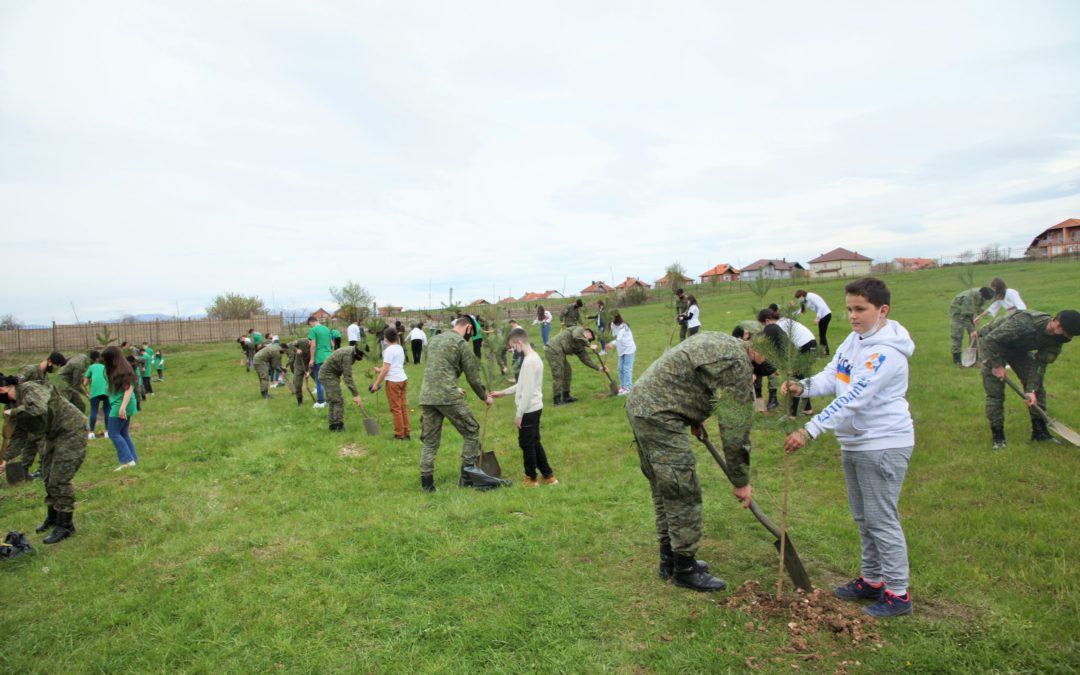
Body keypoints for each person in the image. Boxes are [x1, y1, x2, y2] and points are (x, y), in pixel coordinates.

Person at [782, 277, 916, 618]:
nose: (853, 316)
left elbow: (855, 397)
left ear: (882, 310)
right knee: (863, 517)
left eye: (861, 310)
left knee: (881, 519)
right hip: (855, 443)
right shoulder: (855, 340)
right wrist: (803, 387)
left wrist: (809, 430)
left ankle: (898, 594)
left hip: (882, 443)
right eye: (849, 309)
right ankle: (871, 580)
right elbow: (834, 375)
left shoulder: (885, 353)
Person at [625, 331, 762, 592]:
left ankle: (670, 561)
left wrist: (694, 415)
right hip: (659, 414)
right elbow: (735, 428)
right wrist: (741, 480)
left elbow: (692, 374)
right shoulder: (739, 363)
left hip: (643, 404)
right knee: (681, 489)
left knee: (665, 489)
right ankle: (684, 570)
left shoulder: (723, 342)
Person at [0, 371, 88, 544]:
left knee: (59, 479)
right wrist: (4, 458)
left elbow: (38, 408)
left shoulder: (30, 389)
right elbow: (18, 436)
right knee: (47, 476)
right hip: (52, 435)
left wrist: (14, 412)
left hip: (71, 430)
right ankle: (53, 518)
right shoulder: (10, 406)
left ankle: (66, 525)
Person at [978, 309, 1077, 448]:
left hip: (1018, 349)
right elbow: (991, 340)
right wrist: (997, 365)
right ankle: (998, 436)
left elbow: (1040, 364)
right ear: (1057, 324)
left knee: (1038, 390)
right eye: (1068, 333)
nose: (1069, 338)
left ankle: (1040, 433)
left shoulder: (1058, 339)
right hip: (993, 346)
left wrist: (1031, 389)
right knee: (995, 393)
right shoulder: (1025, 323)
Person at [417, 316, 495, 492]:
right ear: (468, 327)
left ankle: (427, 485)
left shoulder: (434, 340)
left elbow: (438, 368)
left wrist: (454, 386)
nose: (470, 338)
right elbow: (473, 377)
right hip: (447, 396)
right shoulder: (461, 344)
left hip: (427, 396)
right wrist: (484, 397)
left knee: (430, 442)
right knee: (471, 430)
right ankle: (467, 478)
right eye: (471, 334)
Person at [491, 327, 557, 487]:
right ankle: (548, 476)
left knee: (526, 444)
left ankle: (531, 478)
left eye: (514, 347)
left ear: (520, 343)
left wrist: (519, 414)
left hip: (528, 409)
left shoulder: (529, 362)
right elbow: (523, 384)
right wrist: (503, 392)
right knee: (534, 441)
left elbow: (527, 391)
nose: (514, 351)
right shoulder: (535, 358)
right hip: (535, 407)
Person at [4, 351, 66, 480]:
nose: (56, 369)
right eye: (56, 366)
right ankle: (17, 473)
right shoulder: (29, 370)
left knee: (34, 440)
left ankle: (24, 472)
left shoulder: (44, 377)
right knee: (19, 442)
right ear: (49, 362)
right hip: (18, 411)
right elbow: (14, 387)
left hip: (32, 414)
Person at [758, 308, 818, 417]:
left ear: (767, 320)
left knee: (794, 379)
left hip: (804, 347)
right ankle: (807, 409)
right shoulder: (783, 321)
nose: (764, 328)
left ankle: (792, 415)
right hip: (811, 344)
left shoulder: (777, 326)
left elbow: (785, 349)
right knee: (801, 378)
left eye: (763, 325)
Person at [546, 325, 605, 405]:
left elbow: (586, 360)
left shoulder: (580, 345)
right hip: (553, 348)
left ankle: (566, 396)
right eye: (590, 337)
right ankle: (557, 399)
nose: (589, 339)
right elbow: (576, 336)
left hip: (560, 352)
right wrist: (589, 345)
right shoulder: (579, 329)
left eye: (590, 340)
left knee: (567, 371)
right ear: (587, 332)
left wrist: (599, 368)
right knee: (558, 374)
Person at [102, 346, 139, 472]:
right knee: (123, 433)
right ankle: (133, 459)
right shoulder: (119, 368)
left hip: (122, 405)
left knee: (113, 433)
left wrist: (122, 408)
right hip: (123, 404)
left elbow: (128, 389)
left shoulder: (121, 370)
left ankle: (127, 461)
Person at [370, 328, 410, 439]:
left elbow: (386, 370)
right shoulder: (400, 348)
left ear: (385, 338)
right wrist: (379, 369)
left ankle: (399, 434)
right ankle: (406, 433)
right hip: (402, 379)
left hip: (393, 382)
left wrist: (376, 384)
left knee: (396, 408)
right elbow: (393, 365)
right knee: (403, 407)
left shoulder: (388, 350)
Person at [319, 344, 364, 432]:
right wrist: (356, 395)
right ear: (357, 353)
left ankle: (332, 426)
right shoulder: (347, 356)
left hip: (331, 374)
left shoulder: (352, 351)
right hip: (328, 375)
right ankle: (339, 426)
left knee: (333, 400)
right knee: (338, 400)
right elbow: (347, 377)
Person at [949, 287, 993, 365]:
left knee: (975, 335)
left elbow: (978, 307)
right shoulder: (969, 298)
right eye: (985, 299)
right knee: (957, 334)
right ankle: (957, 360)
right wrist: (972, 330)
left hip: (968, 311)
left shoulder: (983, 294)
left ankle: (974, 357)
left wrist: (979, 316)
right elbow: (964, 316)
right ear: (981, 295)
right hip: (958, 312)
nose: (986, 301)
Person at [605, 312, 637, 395]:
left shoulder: (624, 326)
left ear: (617, 317)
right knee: (620, 369)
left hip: (629, 348)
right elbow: (614, 336)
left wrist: (612, 343)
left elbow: (619, 337)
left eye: (612, 318)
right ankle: (623, 387)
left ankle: (628, 388)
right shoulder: (612, 324)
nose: (611, 319)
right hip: (621, 349)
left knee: (627, 369)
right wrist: (609, 342)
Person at [795, 289, 833, 355]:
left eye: (799, 298)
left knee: (822, 335)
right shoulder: (806, 299)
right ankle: (822, 351)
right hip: (822, 316)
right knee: (821, 335)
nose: (799, 299)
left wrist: (818, 318)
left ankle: (825, 352)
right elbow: (801, 310)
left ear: (802, 295)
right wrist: (792, 315)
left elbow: (821, 307)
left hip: (825, 315)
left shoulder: (811, 297)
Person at [307, 315, 334, 409]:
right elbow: (332, 344)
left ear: (311, 322)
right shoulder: (327, 329)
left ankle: (321, 402)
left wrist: (311, 359)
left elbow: (313, 346)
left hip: (320, 358)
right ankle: (330, 400)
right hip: (329, 356)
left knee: (319, 380)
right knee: (329, 379)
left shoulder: (313, 330)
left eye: (310, 325)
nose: (310, 327)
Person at [84, 351, 110, 439]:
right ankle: (107, 432)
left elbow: (85, 383)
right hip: (106, 390)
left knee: (94, 411)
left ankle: (91, 432)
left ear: (91, 359)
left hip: (95, 391)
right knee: (107, 410)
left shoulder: (91, 367)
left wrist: (87, 392)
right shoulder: (105, 367)